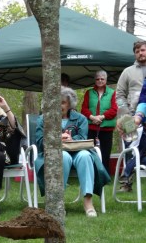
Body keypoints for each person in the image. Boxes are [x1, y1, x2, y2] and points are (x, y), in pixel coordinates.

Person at [35, 86, 110, 217]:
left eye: (62, 102)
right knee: (63, 156)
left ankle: (88, 201)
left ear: (69, 104)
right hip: (53, 154)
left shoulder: (80, 118)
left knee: (86, 155)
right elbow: (40, 142)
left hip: (77, 151)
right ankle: (58, 202)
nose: (59, 105)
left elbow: (82, 138)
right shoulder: (44, 119)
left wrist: (70, 138)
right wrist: (57, 139)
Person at [116, 40, 146, 192]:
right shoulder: (128, 71)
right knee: (130, 147)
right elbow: (120, 95)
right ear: (135, 53)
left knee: (143, 150)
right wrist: (126, 115)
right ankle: (126, 183)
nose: (141, 53)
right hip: (131, 117)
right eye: (138, 51)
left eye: (143, 50)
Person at [81, 70, 117, 172]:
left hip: (106, 128)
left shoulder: (112, 93)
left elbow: (114, 109)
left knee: (106, 152)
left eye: (102, 79)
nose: (100, 81)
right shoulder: (89, 92)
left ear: (106, 80)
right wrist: (92, 117)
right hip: (91, 128)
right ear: (95, 80)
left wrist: (101, 117)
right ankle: (92, 172)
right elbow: (84, 109)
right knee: (90, 151)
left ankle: (105, 175)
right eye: (97, 79)